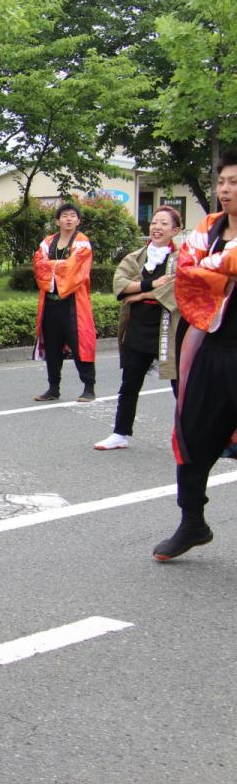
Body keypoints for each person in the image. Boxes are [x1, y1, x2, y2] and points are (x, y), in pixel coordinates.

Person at [154, 151, 237, 561]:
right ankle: (192, 523)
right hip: (213, 348)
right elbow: (187, 271)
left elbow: (201, 269)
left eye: (234, 182)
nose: (225, 190)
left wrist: (213, 266)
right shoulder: (208, 229)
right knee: (191, 435)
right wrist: (222, 267)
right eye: (222, 181)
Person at [95, 206, 182, 450]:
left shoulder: (182, 258)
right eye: (154, 222)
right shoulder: (135, 257)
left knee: (180, 388)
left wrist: (141, 292)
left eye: (164, 224)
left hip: (169, 330)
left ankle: (189, 438)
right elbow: (120, 285)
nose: (157, 227)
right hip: (138, 328)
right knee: (129, 384)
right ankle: (120, 433)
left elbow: (178, 287)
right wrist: (151, 284)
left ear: (175, 230)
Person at [32, 203, 97, 402]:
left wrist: (52, 266)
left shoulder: (82, 242)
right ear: (57, 221)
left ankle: (89, 387)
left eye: (72, 215)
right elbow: (38, 264)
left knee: (81, 344)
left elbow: (76, 268)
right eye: (64, 215)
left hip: (74, 304)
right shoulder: (48, 241)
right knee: (52, 346)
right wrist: (60, 266)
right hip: (51, 304)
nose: (68, 219)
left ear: (78, 220)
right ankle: (53, 388)